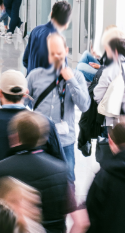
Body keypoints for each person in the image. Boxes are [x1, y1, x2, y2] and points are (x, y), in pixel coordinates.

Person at [0, 69, 64, 183]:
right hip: (37, 194)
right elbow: (60, 164)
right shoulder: (46, 123)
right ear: (26, 93)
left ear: (0, 93)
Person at [27, 33, 89, 181]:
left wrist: (71, 81)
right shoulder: (34, 76)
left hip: (65, 142)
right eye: (52, 53)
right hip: (39, 140)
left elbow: (85, 106)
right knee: (39, 181)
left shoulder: (77, 76)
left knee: (68, 182)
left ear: (66, 51)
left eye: (59, 53)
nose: (56, 57)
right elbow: (22, 104)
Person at [22, 0, 71, 75]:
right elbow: (63, 72)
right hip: (47, 85)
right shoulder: (58, 41)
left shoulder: (36, 30)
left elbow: (25, 60)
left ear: (51, 14)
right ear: (67, 23)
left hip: (29, 82)